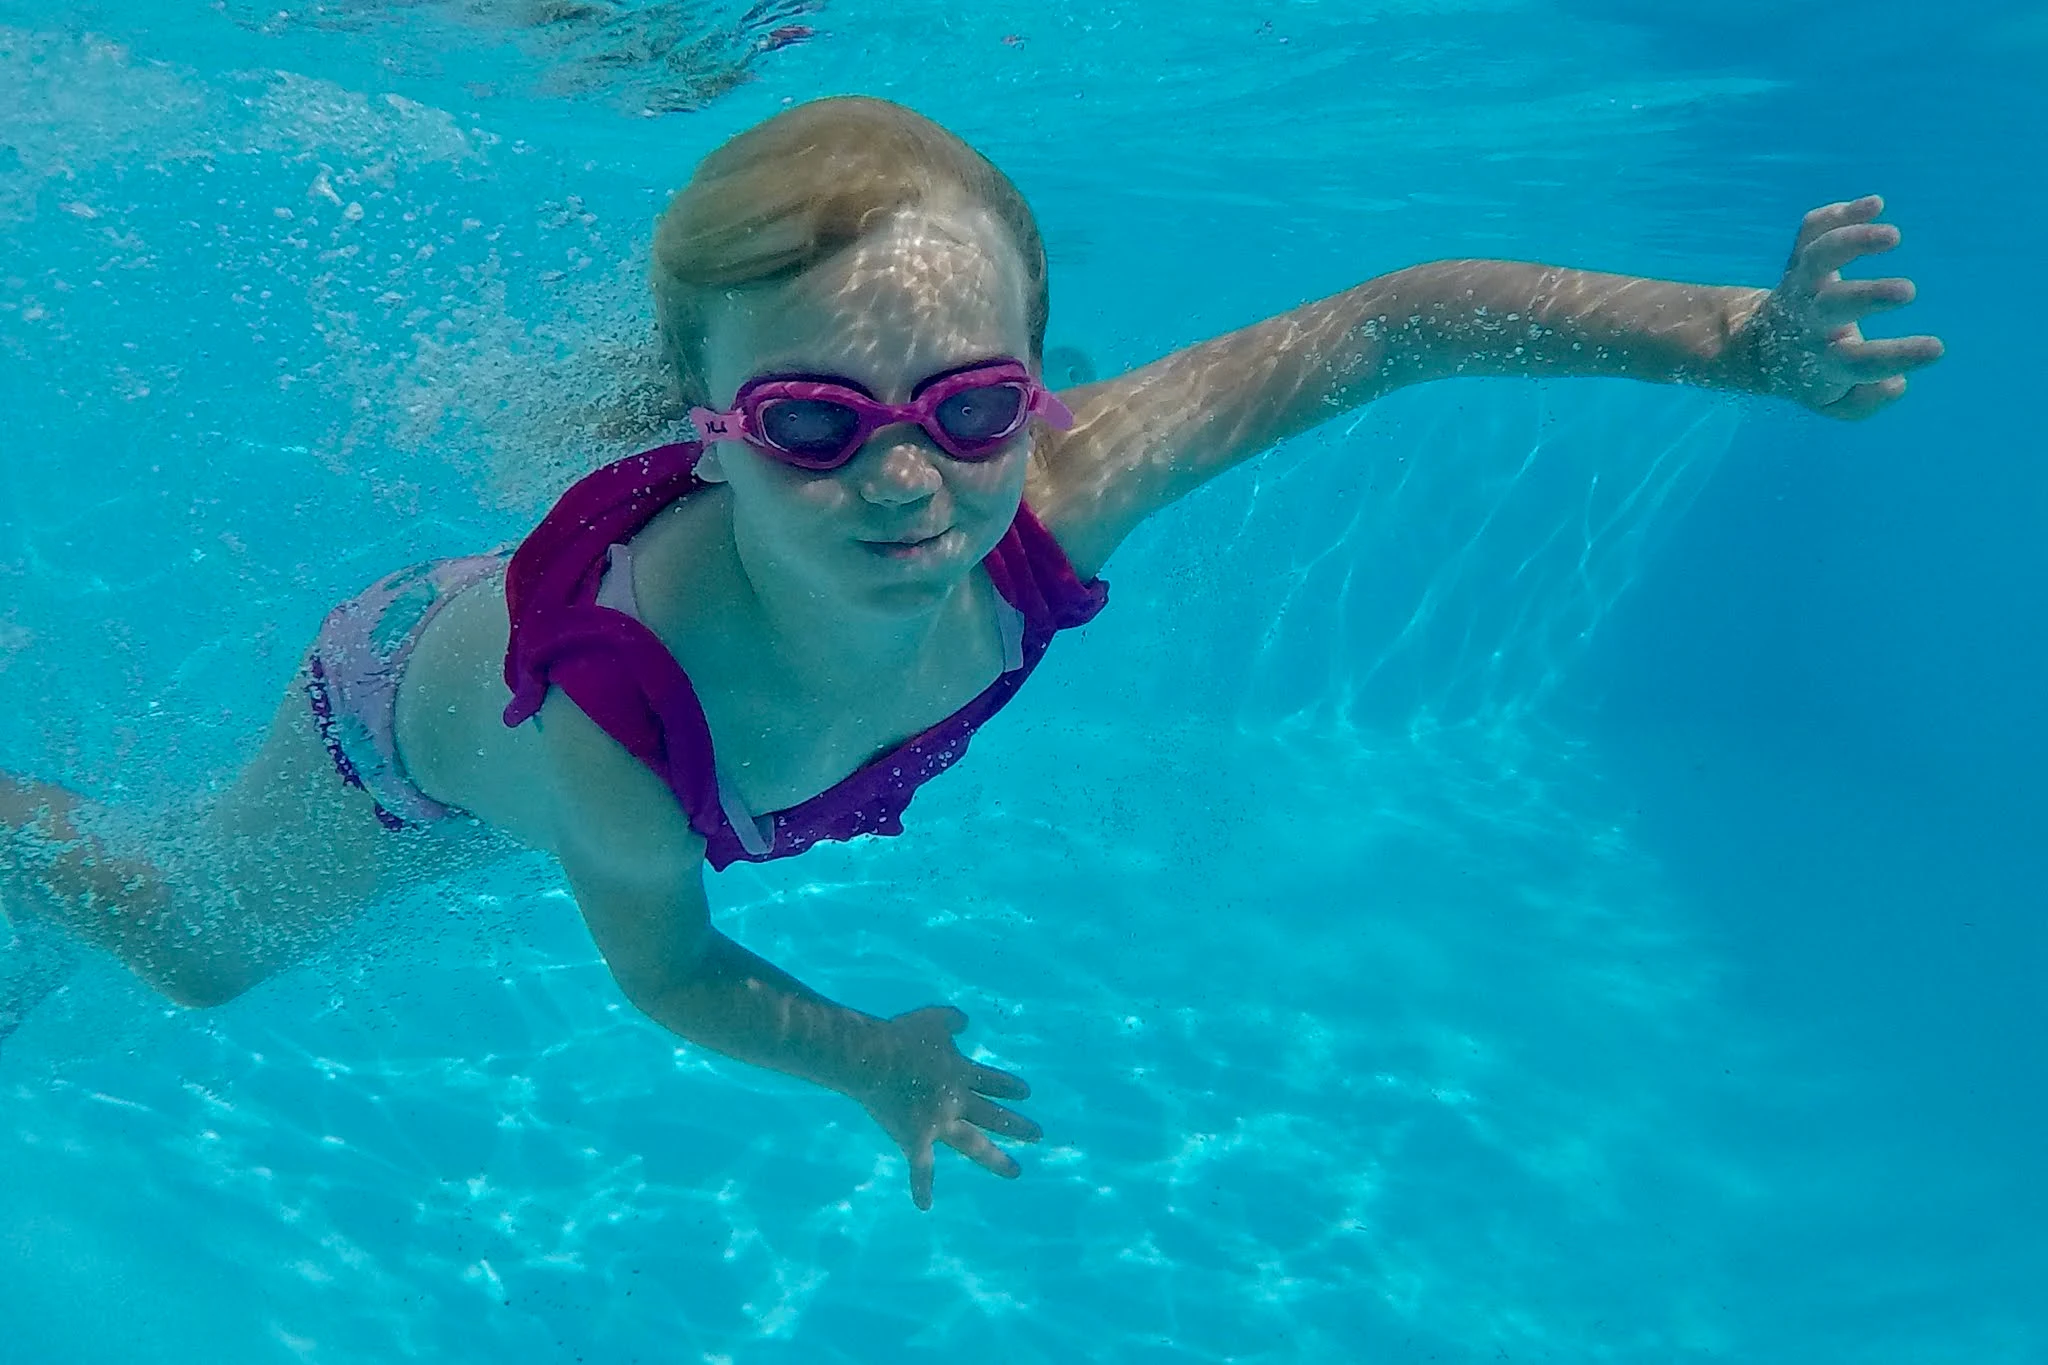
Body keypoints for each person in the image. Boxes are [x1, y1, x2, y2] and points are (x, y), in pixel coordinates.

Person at [0, 95, 1941, 1209]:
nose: (912, 483)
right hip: (403, 724)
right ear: (707, 420)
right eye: (821, 428)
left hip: (556, 705)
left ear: (1035, 388)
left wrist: (1728, 343)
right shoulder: (610, 721)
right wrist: (866, 1063)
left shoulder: (1046, 498)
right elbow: (667, 970)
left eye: (972, 403)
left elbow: (1390, 325)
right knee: (193, 954)